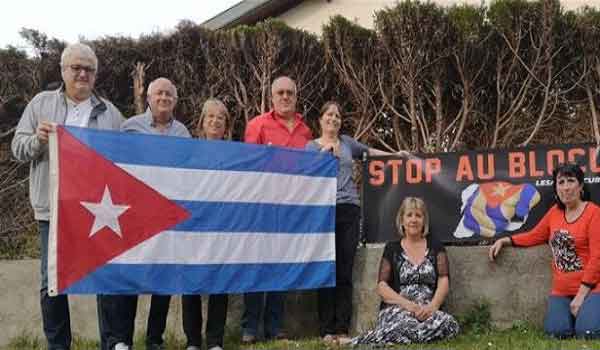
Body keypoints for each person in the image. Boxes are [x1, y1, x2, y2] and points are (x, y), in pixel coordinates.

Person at [11, 43, 124, 350]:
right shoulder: (41, 104)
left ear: (96, 74)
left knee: (106, 276)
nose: (83, 74)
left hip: (98, 210)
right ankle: (58, 345)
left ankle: (112, 343)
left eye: (89, 68)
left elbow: (125, 161)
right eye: (76, 67)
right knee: (52, 283)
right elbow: (17, 149)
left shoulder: (111, 113)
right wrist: (37, 141)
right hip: (54, 209)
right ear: (63, 70)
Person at [305, 101, 409, 342]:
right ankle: (325, 329)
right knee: (325, 270)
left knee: (344, 270)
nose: (333, 119)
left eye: (337, 115)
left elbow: (370, 153)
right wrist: (322, 158)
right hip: (323, 212)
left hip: (349, 210)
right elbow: (305, 176)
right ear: (320, 120)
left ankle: (341, 328)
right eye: (329, 114)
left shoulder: (348, 143)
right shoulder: (310, 147)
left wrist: (396, 154)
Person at [107, 77, 191, 350]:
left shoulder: (183, 133)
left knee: (162, 279)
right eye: (159, 94)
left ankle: (155, 340)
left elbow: (188, 171)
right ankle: (122, 340)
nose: (164, 98)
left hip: (167, 214)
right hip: (135, 212)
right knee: (129, 275)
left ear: (175, 101)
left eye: (169, 94)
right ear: (149, 98)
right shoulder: (130, 127)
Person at [489, 163, 600, 339]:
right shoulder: (554, 213)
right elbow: (535, 235)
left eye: (571, 181)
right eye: (561, 182)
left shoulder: (594, 213)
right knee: (556, 333)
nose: (566, 187)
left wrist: (580, 297)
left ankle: (587, 316)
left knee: (589, 333)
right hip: (562, 290)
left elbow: (597, 258)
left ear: (580, 186)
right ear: (556, 188)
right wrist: (506, 240)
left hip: (592, 288)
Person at [242, 76, 312, 343]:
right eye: (280, 92)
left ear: (296, 97)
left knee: (279, 267)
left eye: (290, 93)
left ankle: (274, 327)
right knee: (257, 266)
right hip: (261, 208)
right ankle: (250, 327)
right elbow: (249, 166)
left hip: (291, 211)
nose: (285, 97)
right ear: (272, 97)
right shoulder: (257, 125)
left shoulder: (306, 132)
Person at [352, 197, 459, 345]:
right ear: (402, 220)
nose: (413, 220)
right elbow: (382, 286)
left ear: (424, 221)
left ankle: (390, 336)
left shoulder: (436, 246)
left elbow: (444, 279)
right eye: (409, 215)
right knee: (406, 325)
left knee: (450, 325)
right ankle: (357, 341)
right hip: (398, 310)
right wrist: (409, 306)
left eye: (418, 215)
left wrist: (432, 307)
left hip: (427, 310)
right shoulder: (392, 249)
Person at [182, 98, 232, 350]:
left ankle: (214, 341)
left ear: (226, 126)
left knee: (219, 284)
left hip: (222, 227)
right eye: (210, 117)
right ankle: (192, 341)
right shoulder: (189, 151)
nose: (215, 121)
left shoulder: (235, 154)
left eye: (220, 118)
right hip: (193, 226)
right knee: (190, 284)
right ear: (202, 122)